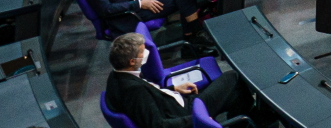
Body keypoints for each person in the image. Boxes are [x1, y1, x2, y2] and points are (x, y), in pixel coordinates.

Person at [102, 30, 247, 128]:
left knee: (237, 94)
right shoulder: (134, 90)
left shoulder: (117, 75)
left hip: (175, 102)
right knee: (232, 77)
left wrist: (174, 88)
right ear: (132, 61)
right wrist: (197, 118)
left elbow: (152, 95)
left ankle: (244, 120)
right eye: (142, 51)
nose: (146, 52)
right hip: (187, 111)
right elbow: (158, 125)